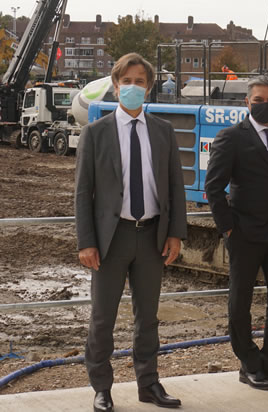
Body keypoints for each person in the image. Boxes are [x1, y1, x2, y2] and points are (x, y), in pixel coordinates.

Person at [75, 53, 187, 411]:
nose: (133, 87)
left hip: (152, 236)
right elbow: (82, 192)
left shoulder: (164, 131)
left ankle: (149, 384)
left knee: (148, 318)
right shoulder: (96, 133)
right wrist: (86, 242)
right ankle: (102, 388)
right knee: (102, 318)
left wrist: (175, 233)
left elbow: (174, 185)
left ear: (149, 87)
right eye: (127, 81)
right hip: (112, 239)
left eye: (140, 82)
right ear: (116, 84)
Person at [204, 75, 268, 390]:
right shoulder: (231, 137)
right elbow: (213, 187)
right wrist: (229, 229)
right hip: (245, 232)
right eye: (260, 100)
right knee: (241, 301)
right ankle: (249, 364)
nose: (267, 105)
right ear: (247, 103)